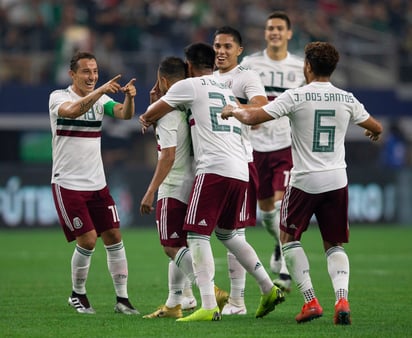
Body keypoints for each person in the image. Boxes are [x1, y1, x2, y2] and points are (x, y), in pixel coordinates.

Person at [221, 41, 383, 325]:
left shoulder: (296, 97)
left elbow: (254, 116)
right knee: (334, 245)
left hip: (305, 181)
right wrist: (372, 133)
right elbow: (376, 126)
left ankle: (310, 302)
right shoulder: (346, 98)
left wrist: (233, 110)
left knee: (288, 239)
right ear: (333, 68)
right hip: (337, 180)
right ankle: (342, 299)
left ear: (307, 67)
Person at [140, 42, 285, 322]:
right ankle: (268, 288)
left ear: (190, 65)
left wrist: (147, 114)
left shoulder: (190, 85)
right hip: (241, 167)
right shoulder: (226, 88)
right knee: (228, 234)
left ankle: (207, 304)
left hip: (213, 168)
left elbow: (150, 114)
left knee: (194, 235)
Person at [49, 51, 138, 315]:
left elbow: (123, 114)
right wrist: (99, 91)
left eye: (95, 71)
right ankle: (77, 294)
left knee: (114, 236)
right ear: (72, 74)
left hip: (97, 183)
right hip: (68, 183)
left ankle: (122, 299)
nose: (92, 76)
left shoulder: (101, 100)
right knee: (87, 239)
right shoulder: (58, 97)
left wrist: (129, 98)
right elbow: (74, 110)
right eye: (86, 71)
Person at [240, 11, 306, 291]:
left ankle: (284, 258)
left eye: (280, 28)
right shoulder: (250, 64)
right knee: (266, 212)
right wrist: (246, 115)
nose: (275, 32)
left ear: (289, 33)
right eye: (270, 28)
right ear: (265, 33)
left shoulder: (300, 67)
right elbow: (238, 96)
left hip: (285, 146)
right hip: (255, 148)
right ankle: (280, 245)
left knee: (280, 206)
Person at [213, 26, 268, 315]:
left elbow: (261, 106)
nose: (221, 51)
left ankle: (239, 300)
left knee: (233, 233)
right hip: (212, 163)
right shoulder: (207, 79)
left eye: (227, 46)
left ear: (239, 50)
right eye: (217, 46)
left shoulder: (246, 76)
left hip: (240, 161)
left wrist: (235, 107)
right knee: (224, 232)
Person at [140, 56, 197, 319]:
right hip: (193, 180)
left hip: (173, 183)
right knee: (180, 243)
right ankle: (176, 302)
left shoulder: (167, 114)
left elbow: (167, 155)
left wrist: (151, 190)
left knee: (170, 246)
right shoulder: (188, 105)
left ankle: (208, 289)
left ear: (163, 81)